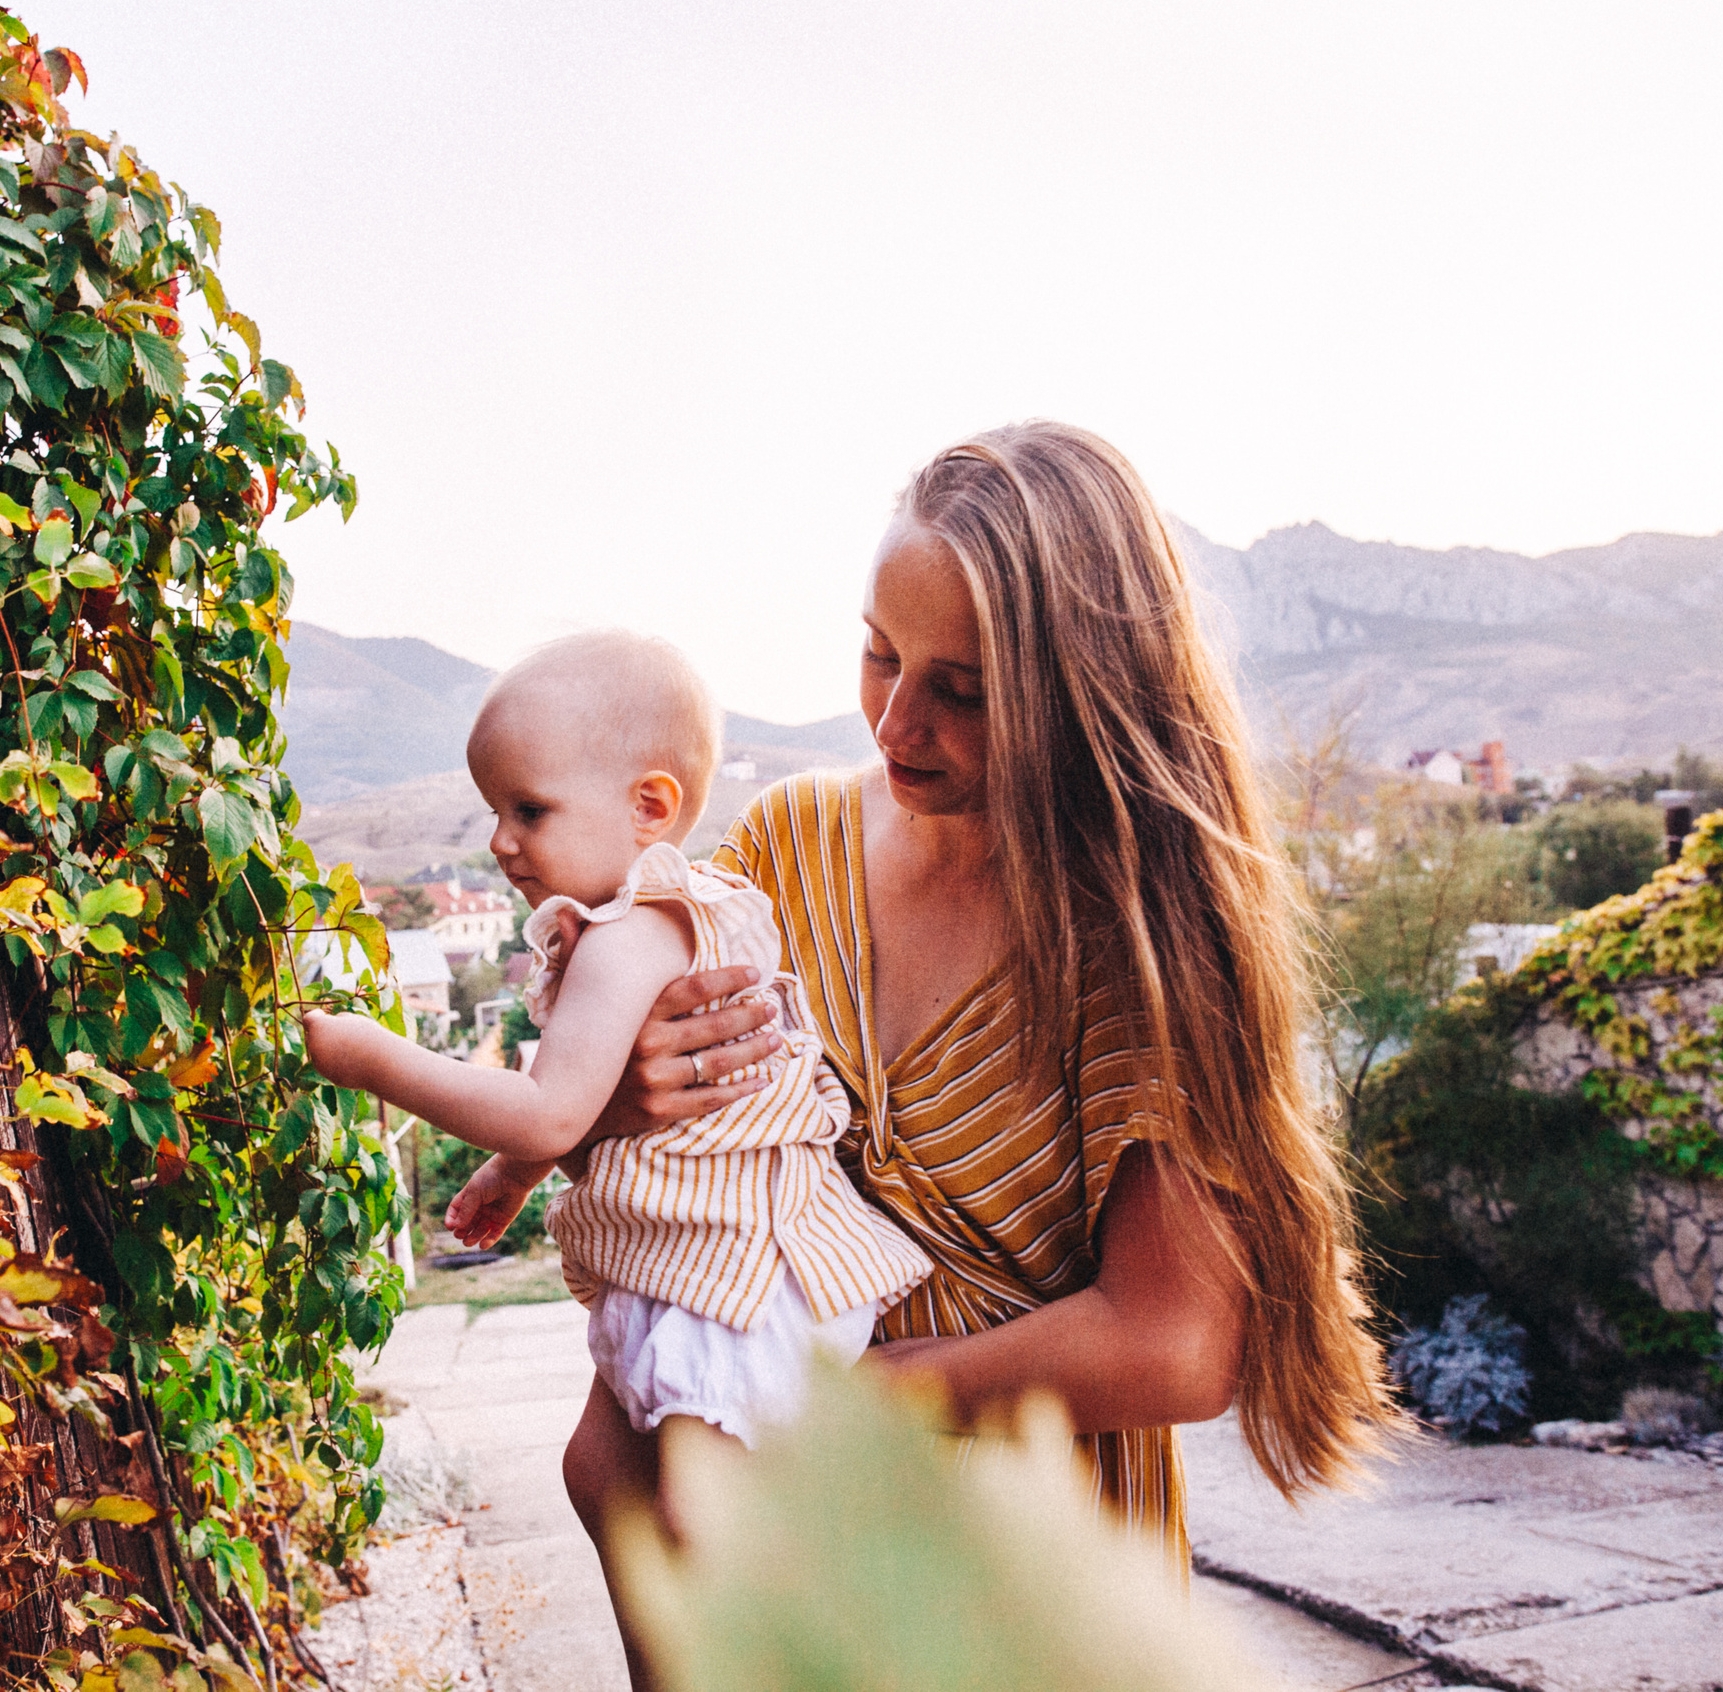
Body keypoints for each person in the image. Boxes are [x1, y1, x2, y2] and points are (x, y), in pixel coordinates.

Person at [538, 423, 1399, 1687]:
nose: (895, 719)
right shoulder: (786, 849)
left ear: (1080, 693)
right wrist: (626, 1091)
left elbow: (1174, 1345)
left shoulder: (1139, 949)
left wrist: (847, 1410)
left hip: (1011, 1579)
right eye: (881, 654)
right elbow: (662, 1150)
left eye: (965, 688)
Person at [300, 631, 934, 1490]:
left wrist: (371, 1056)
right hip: (707, 1265)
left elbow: (554, 1109)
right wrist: (515, 1173)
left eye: (528, 810)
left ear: (648, 807)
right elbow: (592, 1098)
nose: (498, 840)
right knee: (614, 1484)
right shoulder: (650, 920)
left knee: (695, 1521)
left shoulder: (630, 932)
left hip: (739, 1282)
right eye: (494, 811)